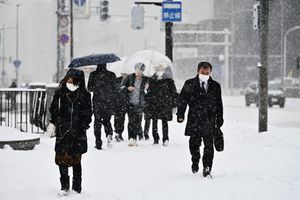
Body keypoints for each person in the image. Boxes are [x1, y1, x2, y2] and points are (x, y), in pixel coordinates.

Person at [49, 68, 92, 196]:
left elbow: (88, 112)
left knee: (76, 161)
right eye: (68, 79)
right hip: (63, 132)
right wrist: (58, 121)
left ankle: (77, 187)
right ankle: (64, 186)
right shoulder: (60, 92)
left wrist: (84, 124)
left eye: (73, 80)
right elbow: (53, 109)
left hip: (78, 133)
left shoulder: (84, 94)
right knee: (61, 159)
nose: (70, 82)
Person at [176, 61, 223, 178]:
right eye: (203, 72)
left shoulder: (215, 86)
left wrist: (220, 118)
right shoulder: (189, 84)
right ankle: (195, 161)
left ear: (210, 72)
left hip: (210, 120)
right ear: (198, 71)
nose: (205, 74)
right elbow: (182, 100)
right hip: (194, 119)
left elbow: (219, 104)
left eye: (207, 72)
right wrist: (180, 114)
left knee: (209, 146)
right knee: (194, 144)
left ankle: (207, 168)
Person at [144, 64, 178, 146]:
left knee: (164, 122)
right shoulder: (151, 79)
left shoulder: (168, 80)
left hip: (165, 104)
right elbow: (148, 93)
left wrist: (173, 103)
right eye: (156, 67)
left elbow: (173, 92)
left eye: (160, 67)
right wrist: (146, 88)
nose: (158, 69)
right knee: (154, 122)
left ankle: (165, 138)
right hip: (154, 103)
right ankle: (156, 139)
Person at [88, 64, 117, 149]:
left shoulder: (93, 74)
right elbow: (115, 88)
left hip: (97, 101)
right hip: (108, 101)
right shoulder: (111, 74)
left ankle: (98, 142)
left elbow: (89, 88)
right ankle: (109, 134)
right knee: (107, 120)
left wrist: (97, 87)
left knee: (97, 121)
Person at [121, 62, 149, 146]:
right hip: (130, 103)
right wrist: (127, 88)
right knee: (131, 121)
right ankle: (131, 138)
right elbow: (121, 88)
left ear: (143, 71)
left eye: (140, 70)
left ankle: (135, 138)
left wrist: (148, 88)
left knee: (138, 122)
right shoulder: (129, 77)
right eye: (137, 70)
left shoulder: (146, 79)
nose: (138, 72)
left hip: (140, 104)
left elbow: (150, 91)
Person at [114, 73, 129, 142]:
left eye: (126, 74)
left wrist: (126, 88)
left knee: (122, 119)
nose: (124, 75)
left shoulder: (129, 80)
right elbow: (114, 89)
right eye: (123, 73)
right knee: (117, 118)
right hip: (117, 102)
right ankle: (117, 132)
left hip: (125, 103)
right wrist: (120, 88)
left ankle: (120, 133)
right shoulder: (117, 79)